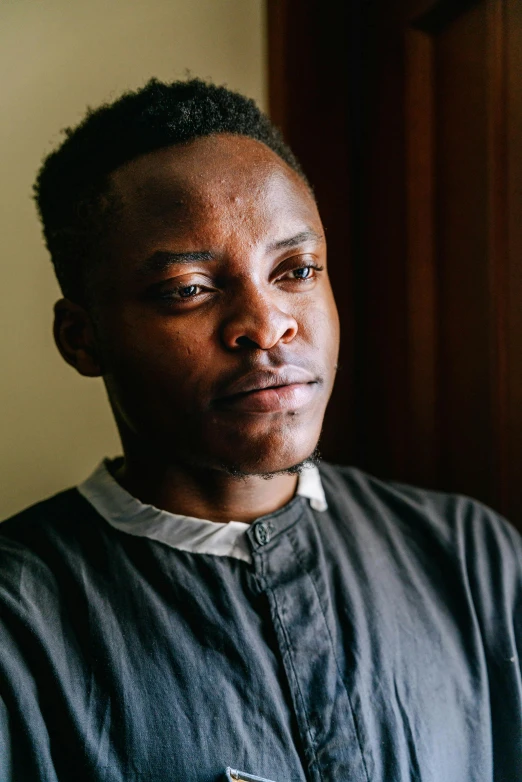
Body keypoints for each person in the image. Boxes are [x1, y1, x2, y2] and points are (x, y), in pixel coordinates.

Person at [0, 78, 520, 782]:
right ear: (82, 338)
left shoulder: (472, 558)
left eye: (296, 269)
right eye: (188, 288)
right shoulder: (19, 624)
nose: (268, 323)